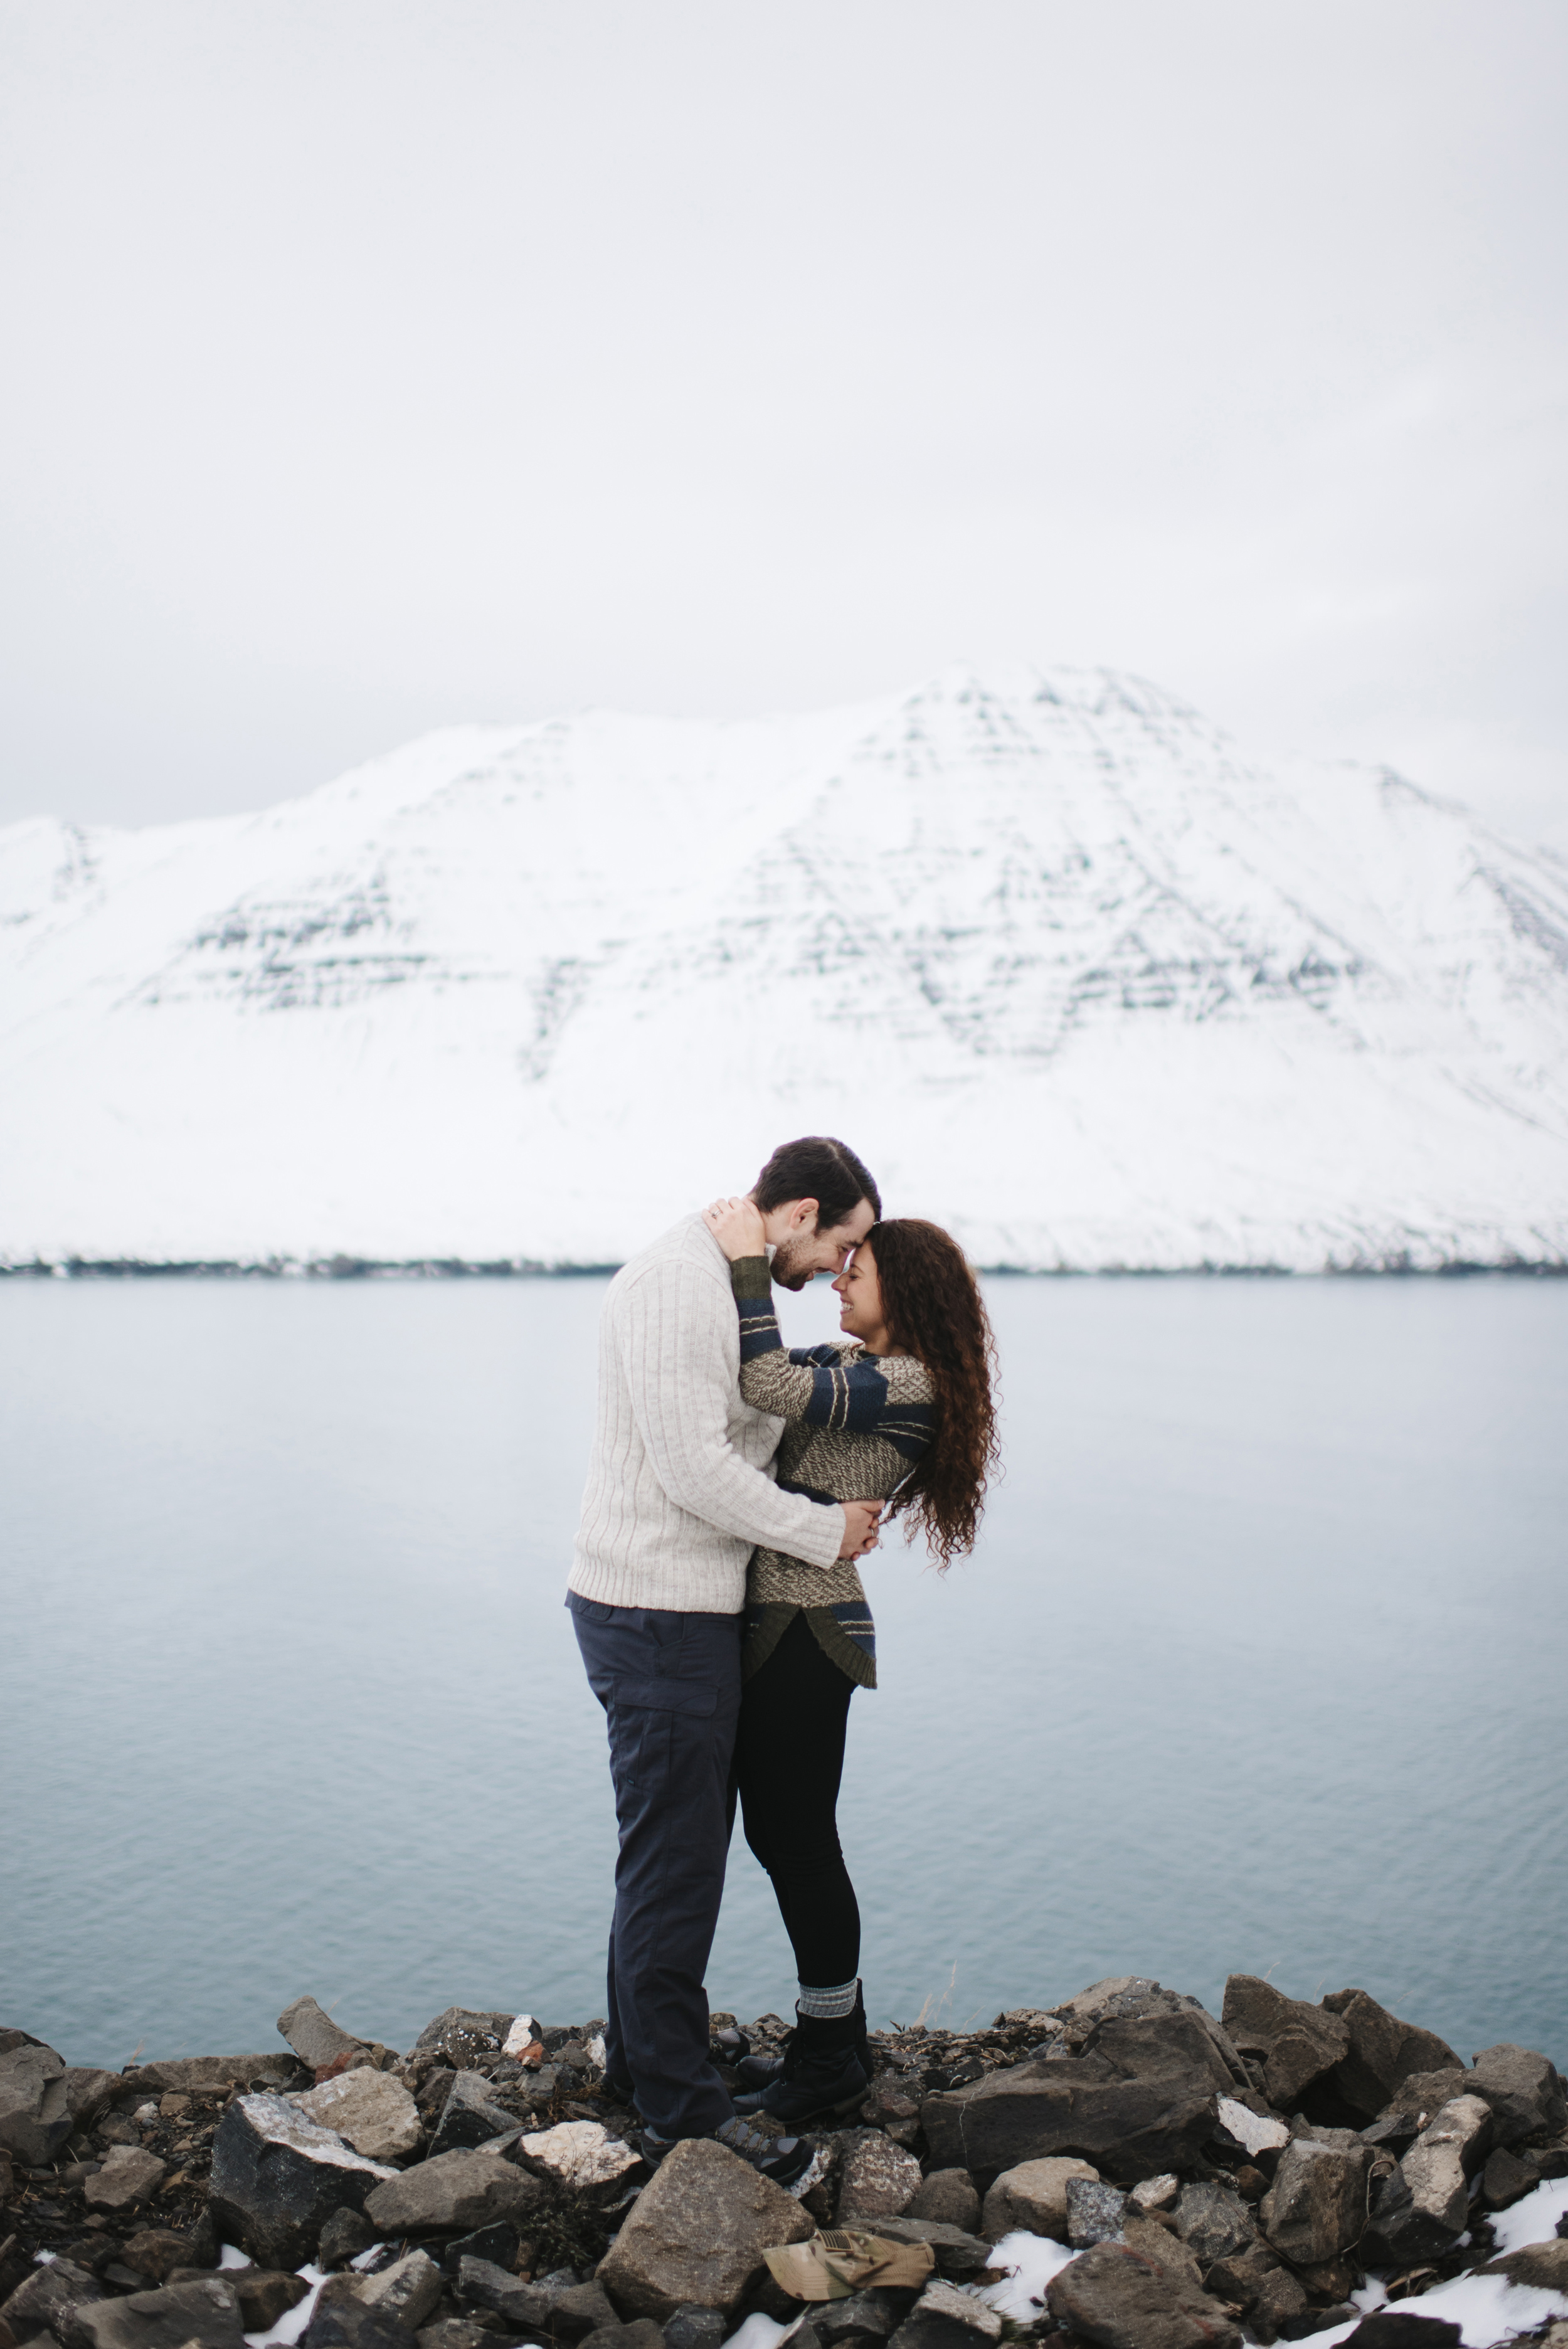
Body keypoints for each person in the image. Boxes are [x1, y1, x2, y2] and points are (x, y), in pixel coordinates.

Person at [567, 1136, 886, 2183]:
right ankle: (682, 2112)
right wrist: (822, 1530)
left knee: (661, 1845)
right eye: (843, 1242)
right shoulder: (675, 1282)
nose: (839, 1267)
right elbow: (694, 1466)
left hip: (676, 1602)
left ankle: (641, 2064)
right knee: (679, 1863)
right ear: (798, 1213)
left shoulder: (721, 1279)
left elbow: (739, 1422)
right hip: (657, 1605)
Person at [700, 1197, 1000, 2126]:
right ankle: (829, 2038)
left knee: (799, 1840)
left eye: (854, 1268)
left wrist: (749, 1260)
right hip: (777, 1620)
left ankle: (833, 2053)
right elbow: (773, 1376)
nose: (837, 1278)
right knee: (779, 1836)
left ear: (898, 1287)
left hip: (810, 1628)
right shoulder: (857, 1365)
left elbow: (766, 1380)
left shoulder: (903, 1381)